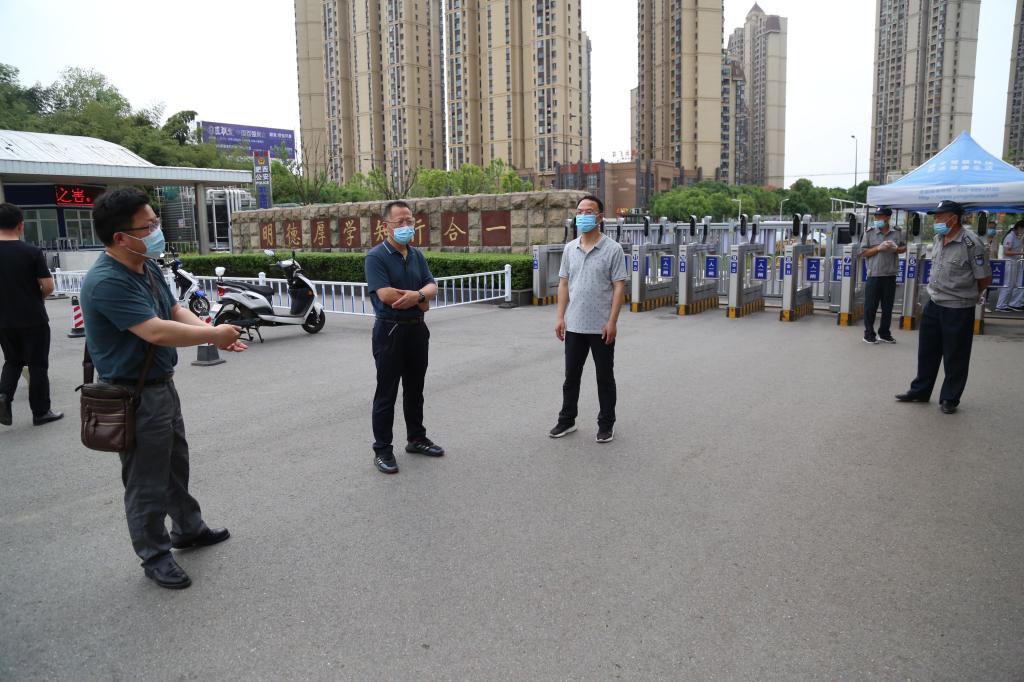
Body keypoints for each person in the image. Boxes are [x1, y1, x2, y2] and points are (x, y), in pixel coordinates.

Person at [79, 188, 247, 589]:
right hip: (133, 394)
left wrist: (209, 331)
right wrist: (213, 336)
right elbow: (154, 331)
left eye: (156, 222)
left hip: (160, 386)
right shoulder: (107, 281)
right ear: (120, 237)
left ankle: (188, 528)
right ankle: (154, 555)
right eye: (149, 226)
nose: (157, 230)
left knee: (174, 465)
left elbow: (172, 309)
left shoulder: (146, 265)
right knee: (145, 480)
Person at [364, 200, 443, 474]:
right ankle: (382, 450)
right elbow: (386, 295)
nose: (406, 226)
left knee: (415, 389)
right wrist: (421, 298)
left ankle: (416, 438)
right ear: (386, 225)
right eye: (400, 222)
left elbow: (432, 286)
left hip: (417, 330)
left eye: (410, 221)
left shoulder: (417, 255)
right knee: (386, 393)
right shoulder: (376, 257)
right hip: (390, 331)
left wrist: (418, 296)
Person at [896, 200, 991, 414]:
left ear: (953, 219)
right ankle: (920, 391)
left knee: (955, 355)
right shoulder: (938, 238)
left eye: (939, 216)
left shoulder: (971, 243)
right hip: (934, 303)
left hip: (958, 307)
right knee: (927, 352)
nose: (936, 220)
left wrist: (969, 296)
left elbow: (984, 278)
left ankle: (950, 397)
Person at [550, 194, 628, 443]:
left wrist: (612, 321)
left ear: (599, 217)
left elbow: (619, 286)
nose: (583, 216)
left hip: (601, 326)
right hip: (574, 325)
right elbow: (564, 284)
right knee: (571, 377)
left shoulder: (613, 249)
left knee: (604, 378)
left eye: (589, 212)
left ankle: (606, 424)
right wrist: (560, 317)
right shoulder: (569, 249)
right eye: (580, 212)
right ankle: (567, 420)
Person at [0, 203, 63, 427]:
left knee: (12, 360)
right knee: (37, 365)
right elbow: (48, 286)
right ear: (21, 225)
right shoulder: (31, 252)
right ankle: (41, 412)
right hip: (33, 317)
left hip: (3, 320)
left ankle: (3, 397)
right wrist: (37, 298)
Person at [860, 207, 906, 344]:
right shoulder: (869, 233)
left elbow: (903, 248)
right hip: (874, 275)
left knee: (887, 307)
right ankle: (868, 334)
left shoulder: (898, 232)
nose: (877, 219)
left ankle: (884, 333)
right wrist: (878, 248)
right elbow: (863, 253)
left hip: (890, 275)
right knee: (870, 307)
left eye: (879, 217)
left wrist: (896, 249)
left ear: (887, 218)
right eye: (875, 217)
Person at [994, 220, 1024, 312]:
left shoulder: (1016, 236)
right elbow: (1006, 252)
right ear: (1019, 228)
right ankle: (1000, 305)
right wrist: (1021, 253)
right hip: (1009, 263)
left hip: (1015, 262)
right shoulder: (1010, 237)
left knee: (1013, 284)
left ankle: (1010, 304)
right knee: (1008, 284)